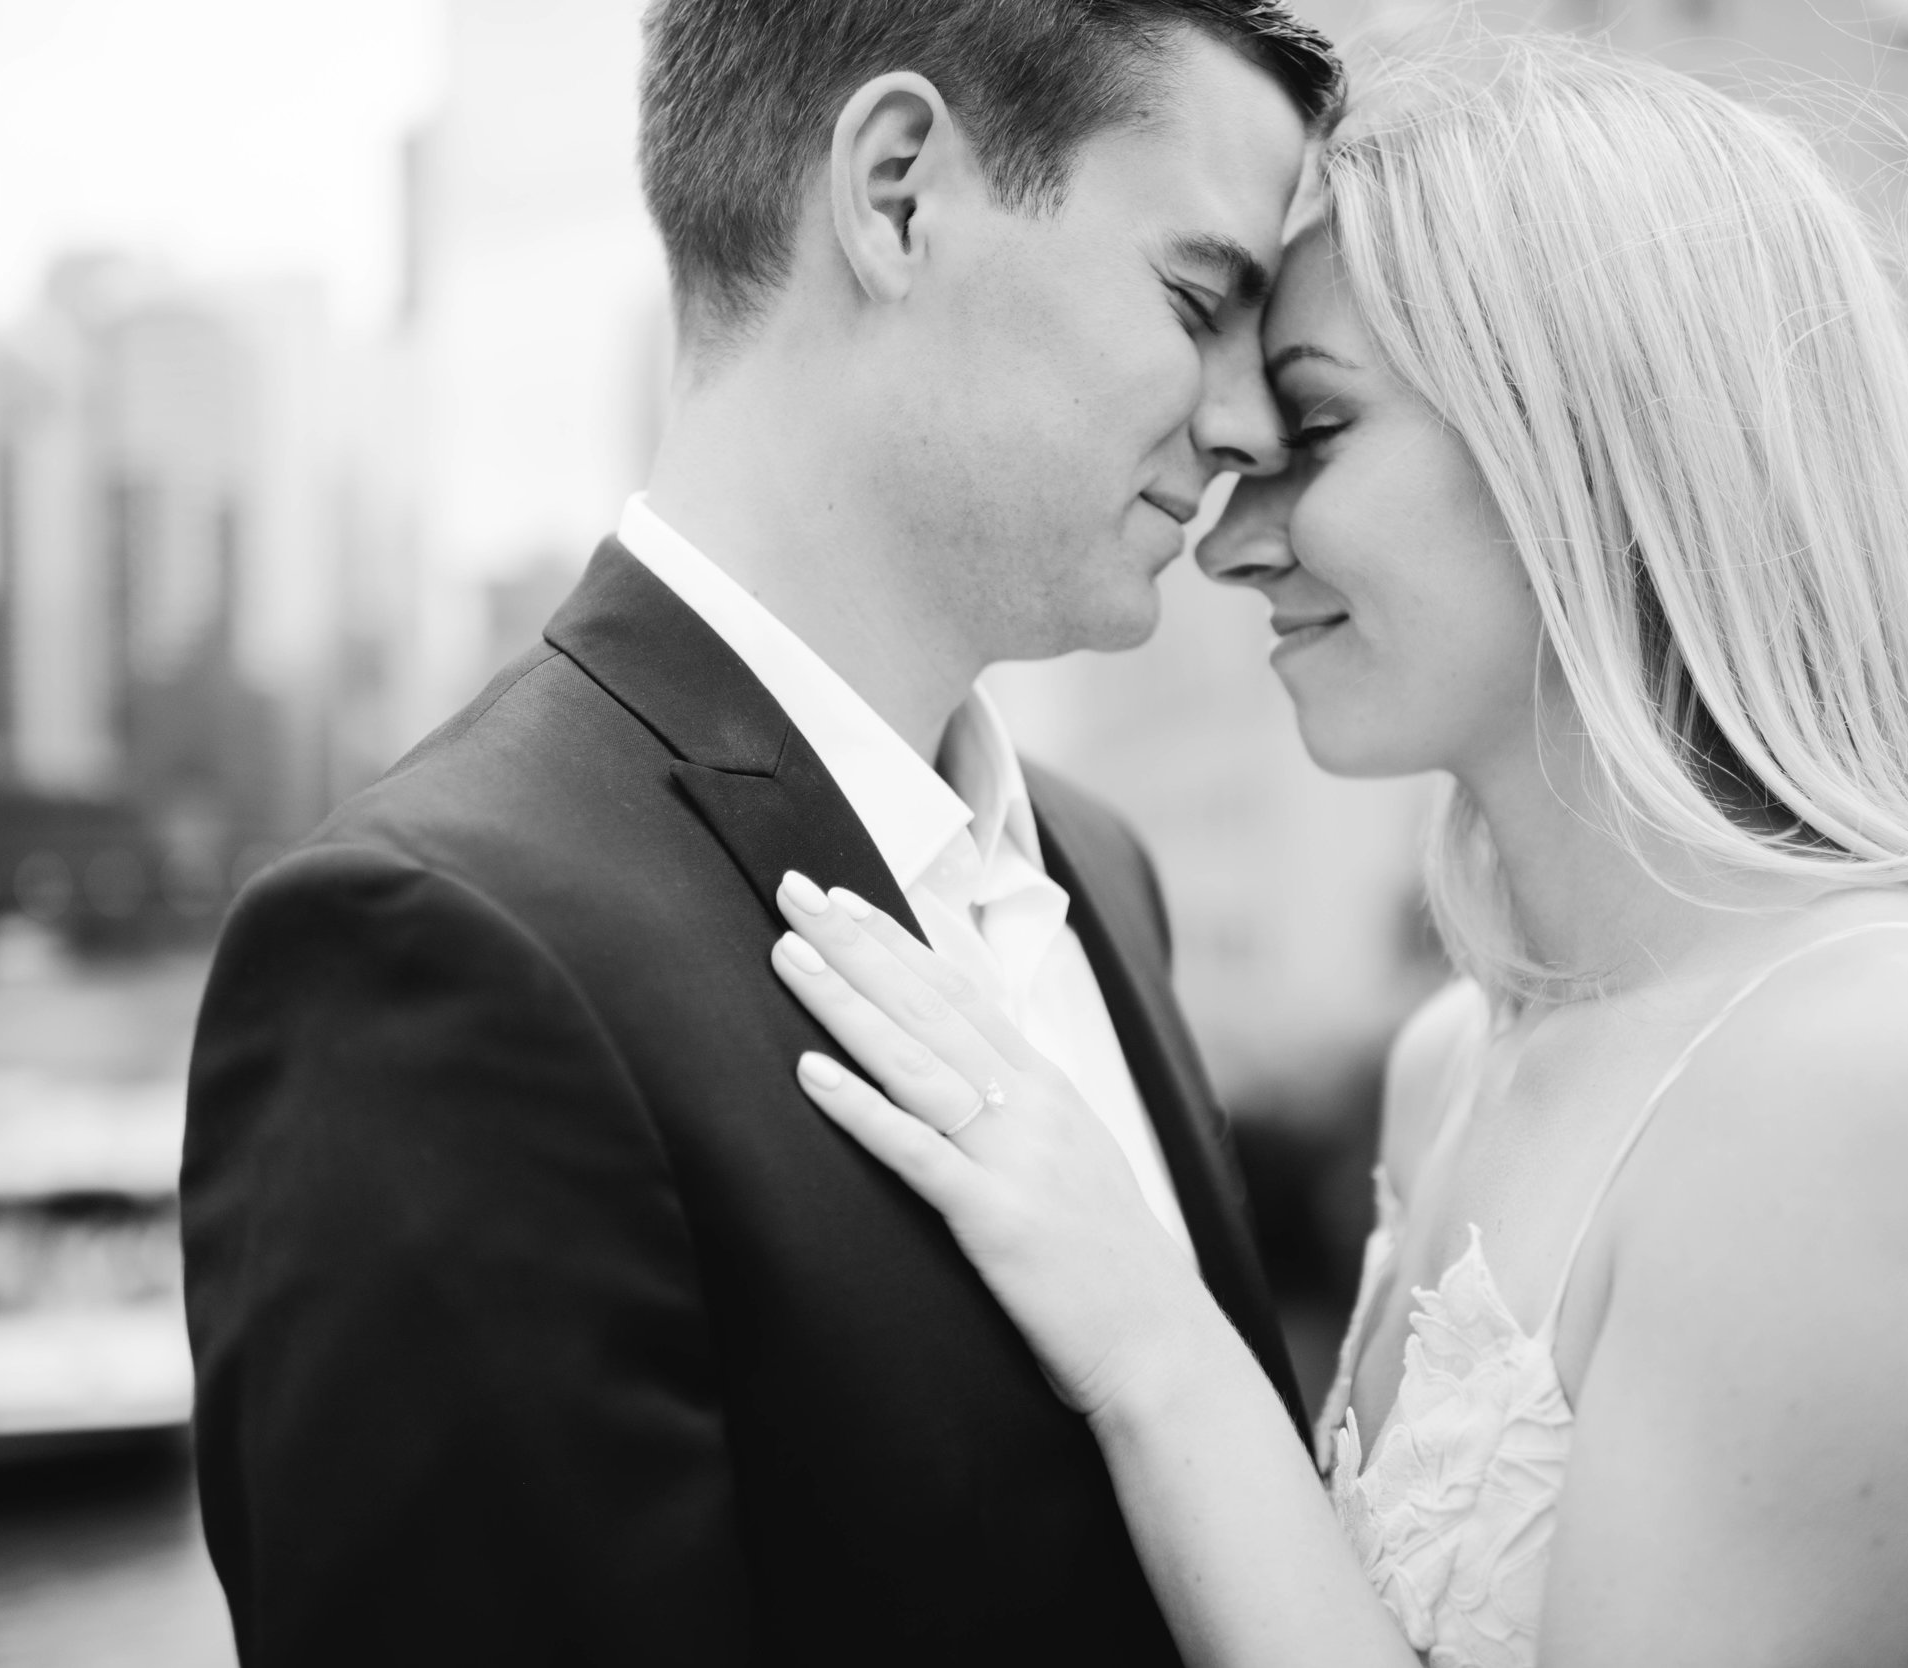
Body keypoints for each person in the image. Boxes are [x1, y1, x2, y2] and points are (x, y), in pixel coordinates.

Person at [761, 32, 1908, 1668]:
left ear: (1593, 454)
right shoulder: (1455, 1059)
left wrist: (1156, 1351)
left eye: (1311, 435)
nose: (1230, 541)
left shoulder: (1878, 1073)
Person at [177, 3, 1339, 1664]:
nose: (1250, 425)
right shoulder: (432, 956)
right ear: (897, 195)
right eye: (1195, 298)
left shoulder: (1104, 877)